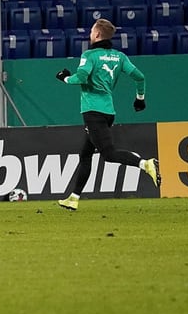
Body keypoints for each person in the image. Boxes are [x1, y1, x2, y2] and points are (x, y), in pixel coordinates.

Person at [55, 18, 160, 211]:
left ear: (96, 35)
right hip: (108, 112)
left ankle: (145, 164)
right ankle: (73, 198)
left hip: (93, 112)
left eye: (91, 31)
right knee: (85, 154)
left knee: (108, 154)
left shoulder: (89, 55)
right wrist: (140, 99)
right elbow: (140, 77)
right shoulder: (119, 57)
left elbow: (82, 77)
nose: (89, 34)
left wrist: (65, 78)